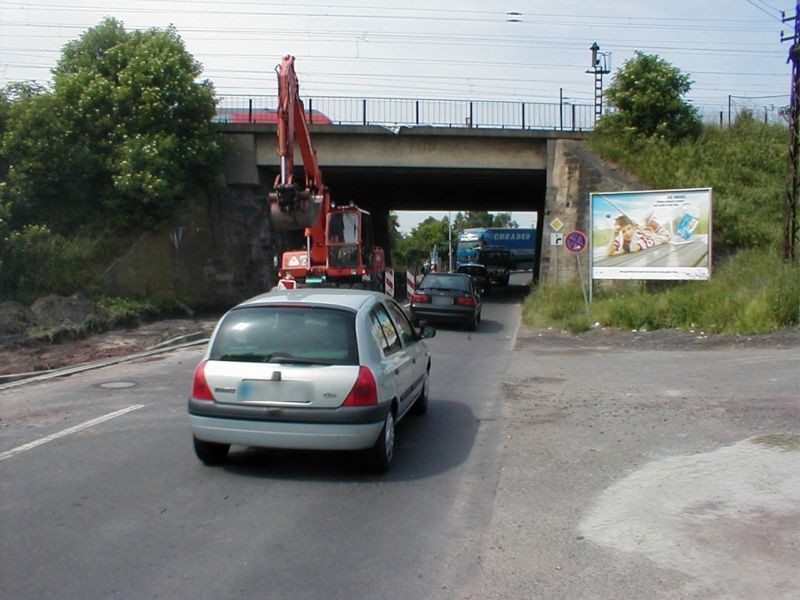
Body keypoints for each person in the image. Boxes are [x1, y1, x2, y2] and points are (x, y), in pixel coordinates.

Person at [607, 214, 671, 256]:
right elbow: (609, 253)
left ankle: (649, 222)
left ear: (632, 227)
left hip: (653, 239)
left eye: (629, 228)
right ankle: (647, 224)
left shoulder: (638, 237)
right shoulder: (621, 238)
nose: (627, 233)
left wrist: (635, 231)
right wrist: (614, 236)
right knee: (646, 231)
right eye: (623, 232)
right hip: (645, 234)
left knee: (667, 237)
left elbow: (633, 249)